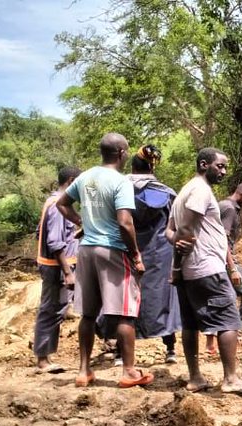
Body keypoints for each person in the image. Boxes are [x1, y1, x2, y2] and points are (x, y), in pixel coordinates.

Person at [56, 133, 151, 389]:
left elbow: (62, 204)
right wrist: (135, 254)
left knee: (88, 314)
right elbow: (125, 222)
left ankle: (84, 371)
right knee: (124, 314)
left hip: (86, 249)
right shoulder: (121, 182)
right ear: (121, 153)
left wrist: (82, 222)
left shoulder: (85, 177)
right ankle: (129, 372)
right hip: (113, 251)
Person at [168, 148, 242, 395]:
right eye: (219, 166)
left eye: (225, 167)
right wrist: (178, 260)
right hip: (207, 268)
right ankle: (231, 379)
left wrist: (177, 265)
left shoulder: (184, 192)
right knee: (228, 320)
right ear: (203, 164)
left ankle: (195, 377)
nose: (223, 171)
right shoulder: (199, 191)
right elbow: (186, 231)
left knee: (190, 324)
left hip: (190, 271)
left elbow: (170, 231)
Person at [127, 144, 182, 364]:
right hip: (160, 253)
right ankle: (170, 349)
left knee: (126, 297)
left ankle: (121, 353)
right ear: (152, 167)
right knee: (163, 296)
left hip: (130, 251)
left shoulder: (120, 190)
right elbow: (176, 224)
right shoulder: (167, 194)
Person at [32, 166, 80, 374]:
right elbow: (55, 242)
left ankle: (46, 355)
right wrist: (68, 272)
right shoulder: (58, 205)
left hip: (55, 265)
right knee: (51, 310)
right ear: (71, 182)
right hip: (57, 267)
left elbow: (39, 232)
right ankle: (43, 359)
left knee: (56, 309)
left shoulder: (51, 201)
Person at [214, 183, 242, 341]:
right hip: (225, 260)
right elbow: (222, 239)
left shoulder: (222, 205)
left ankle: (226, 331)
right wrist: (232, 267)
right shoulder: (230, 210)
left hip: (219, 260)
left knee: (230, 297)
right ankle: (236, 332)